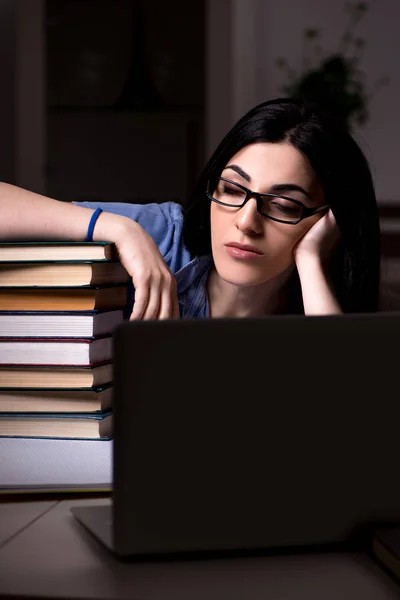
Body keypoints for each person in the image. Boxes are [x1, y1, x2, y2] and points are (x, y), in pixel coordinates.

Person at [0, 98, 383, 318]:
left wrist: (312, 261)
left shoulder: (331, 302)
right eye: (232, 189)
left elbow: (346, 406)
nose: (246, 222)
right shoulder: (163, 233)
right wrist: (120, 229)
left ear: (327, 221)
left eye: (283, 205)